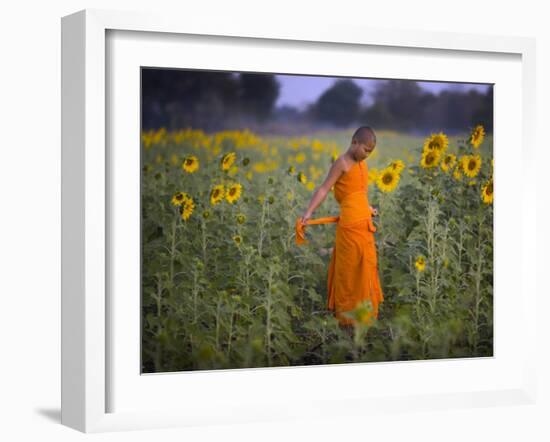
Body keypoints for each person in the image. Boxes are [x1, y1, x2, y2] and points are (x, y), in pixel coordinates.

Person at [295, 126, 384, 334]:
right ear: (354, 143)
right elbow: (324, 188)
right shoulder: (342, 163)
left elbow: (359, 194)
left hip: (364, 226)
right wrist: (308, 213)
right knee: (349, 270)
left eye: (371, 152)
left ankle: (365, 315)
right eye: (365, 150)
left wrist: (369, 209)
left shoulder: (363, 166)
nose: (367, 155)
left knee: (366, 268)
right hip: (349, 228)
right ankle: (346, 319)